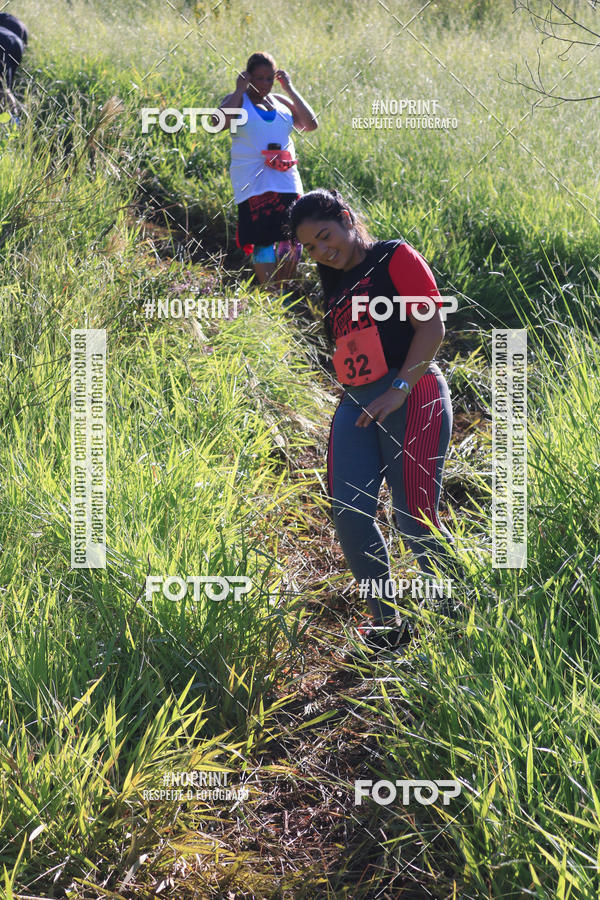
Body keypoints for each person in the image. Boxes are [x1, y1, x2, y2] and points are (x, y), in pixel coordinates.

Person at [288, 188, 457, 654]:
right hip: (358, 403)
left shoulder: (394, 257)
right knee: (349, 513)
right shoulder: (333, 283)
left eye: (326, 236)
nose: (322, 251)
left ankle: (459, 615)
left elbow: (432, 326)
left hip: (413, 393)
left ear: (346, 218)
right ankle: (387, 624)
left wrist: (398, 388)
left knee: (414, 518)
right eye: (311, 247)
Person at [213, 51, 318, 288]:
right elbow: (217, 123)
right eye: (259, 78)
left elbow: (310, 124)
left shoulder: (280, 102)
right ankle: (271, 294)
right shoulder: (238, 100)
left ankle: (282, 290)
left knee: (292, 239)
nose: (264, 84)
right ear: (248, 77)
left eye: (269, 78)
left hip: (286, 178)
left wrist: (290, 89)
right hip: (253, 180)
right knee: (263, 240)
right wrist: (239, 89)